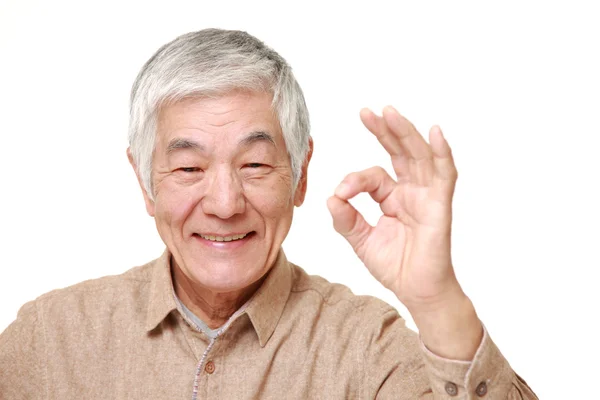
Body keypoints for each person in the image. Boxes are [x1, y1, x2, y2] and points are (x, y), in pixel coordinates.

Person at [0, 28, 537, 399]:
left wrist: (437, 298)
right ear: (145, 181)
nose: (226, 203)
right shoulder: (49, 339)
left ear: (300, 173)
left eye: (255, 163)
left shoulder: (368, 346)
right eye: (188, 169)